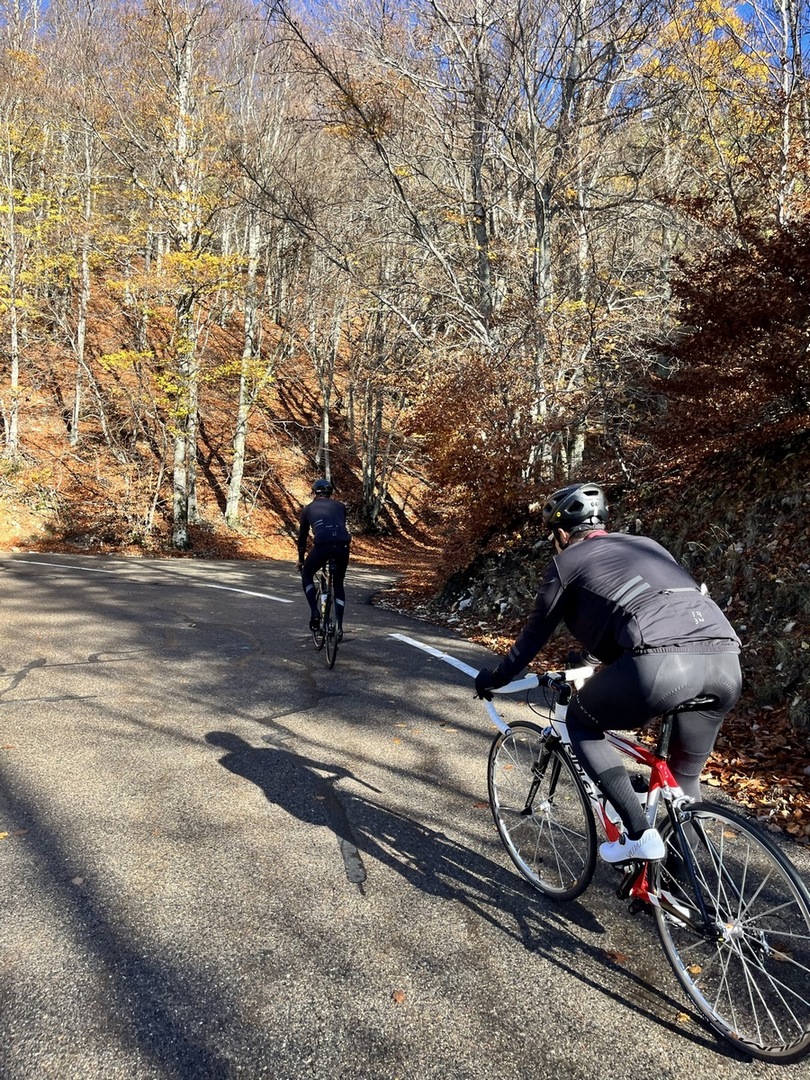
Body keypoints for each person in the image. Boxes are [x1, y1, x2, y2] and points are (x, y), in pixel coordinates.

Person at [474, 481, 742, 864]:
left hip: (661, 665)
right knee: (684, 778)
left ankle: (638, 834)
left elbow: (533, 637)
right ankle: (682, 886)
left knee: (580, 721)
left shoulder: (567, 562)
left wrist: (495, 678)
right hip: (725, 660)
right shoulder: (648, 546)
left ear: (562, 534)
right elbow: (640, 606)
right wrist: (589, 658)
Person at [297, 479, 352, 638]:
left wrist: (301, 559)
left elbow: (302, 537)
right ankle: (339, 627)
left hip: (322, 546)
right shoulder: (340, 506)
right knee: (338, 583)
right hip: (342, 546)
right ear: (330, 493)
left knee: (307, 574)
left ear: (314, 492)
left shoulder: (308, 509)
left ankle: (315, 612)